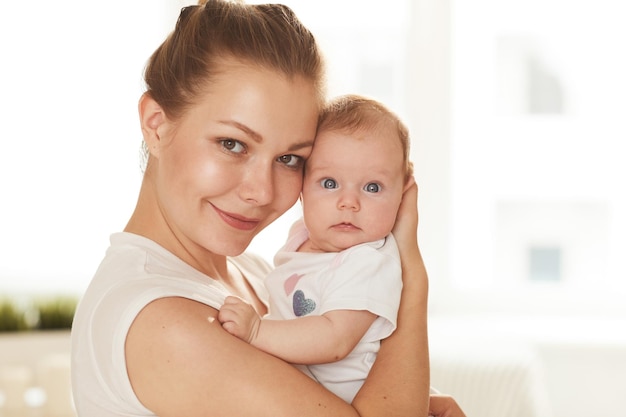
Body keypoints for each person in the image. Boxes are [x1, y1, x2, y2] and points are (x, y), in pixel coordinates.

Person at [70, 1, 466, 416]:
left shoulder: (260, 276)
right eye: (232, 144)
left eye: (290, 159)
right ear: (156, 124)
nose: (261, 191)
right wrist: (410, 279)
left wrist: (411, 395)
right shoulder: (163, 323)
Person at [218, 94, 411, 403]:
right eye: (330, 183)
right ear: (303, 186)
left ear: (403, 192)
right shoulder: (301, 238)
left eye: (372, 187)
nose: (349, 202)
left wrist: (257, 332)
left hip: (351, 401)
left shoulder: (367, 260)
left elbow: (335, 339)